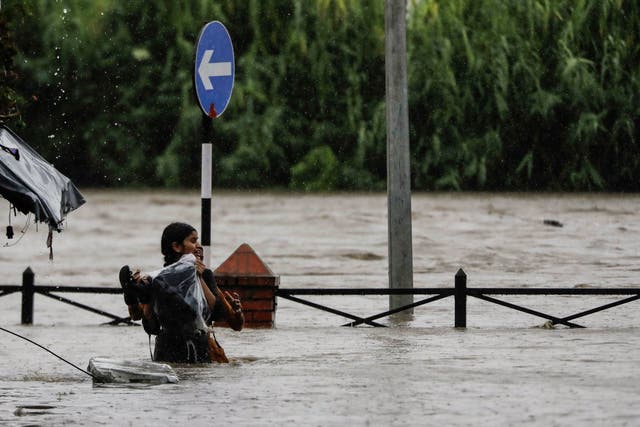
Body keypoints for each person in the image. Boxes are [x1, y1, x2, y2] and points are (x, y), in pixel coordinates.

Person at [119, 222, 243, 363]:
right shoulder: (158, 280)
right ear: (176, 247)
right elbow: (150, 326)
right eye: (193, 241)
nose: (199, 246)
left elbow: (223, 315)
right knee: (151, 288)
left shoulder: (205, 275)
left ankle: (136, 290)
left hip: (197, 349)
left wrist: (199, 278)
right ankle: (135, 291)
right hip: (169, 351)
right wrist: (139, 297)